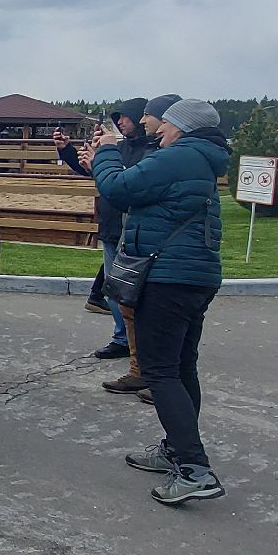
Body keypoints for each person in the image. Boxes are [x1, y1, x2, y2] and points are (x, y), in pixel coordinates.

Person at [90, 97, 228, 505]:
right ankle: (176, 450)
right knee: (182, 367)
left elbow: (118, 187)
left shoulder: (180, 158)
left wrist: (107, 152)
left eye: (164, 122)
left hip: (168, 278)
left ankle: (194, 468)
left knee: (160, 371)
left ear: (182, 126)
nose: (158, 128)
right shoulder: (198, 157)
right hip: (191, 276)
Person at [55, 98, 153, 380]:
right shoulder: (118, 147)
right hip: (110, 227)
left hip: (133, 230)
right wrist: (68, 151)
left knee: (133, 294)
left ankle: (139, 348)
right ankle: (123, 339)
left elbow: (128, 182)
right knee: (114, 291)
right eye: (117, 118)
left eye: (125, 117)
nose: (120, 122)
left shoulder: (151, 151)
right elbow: (96, 171)